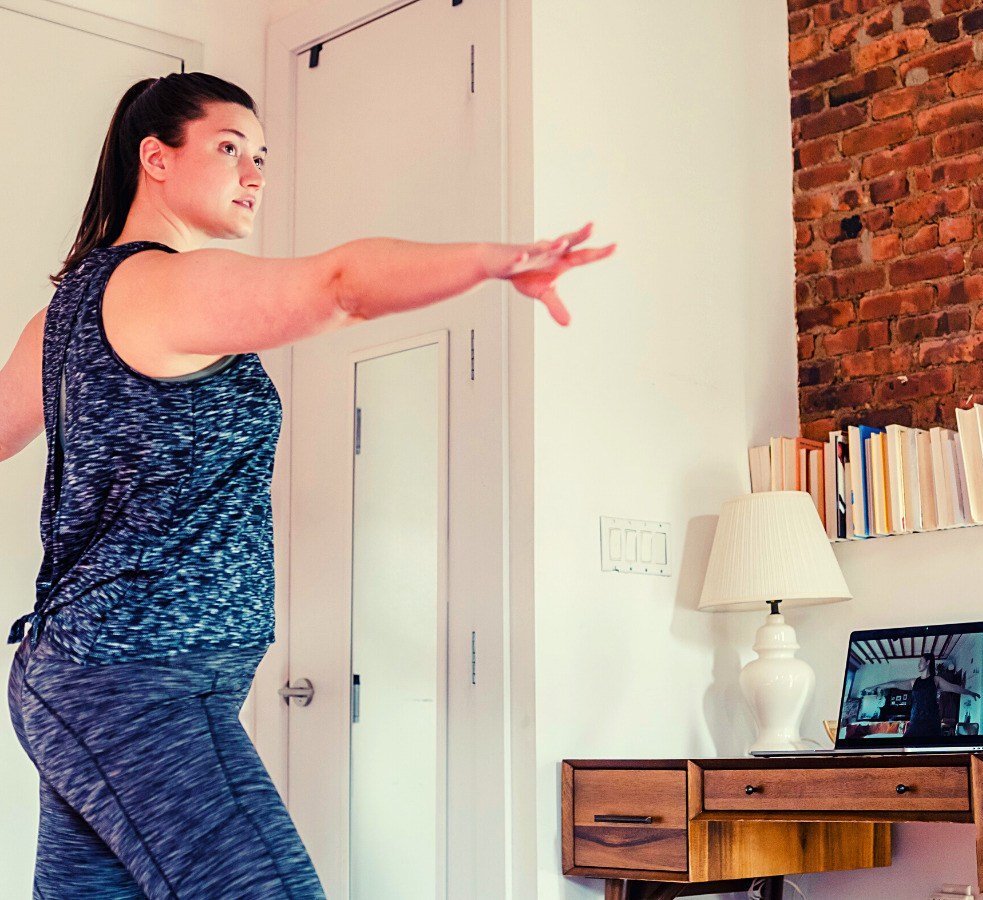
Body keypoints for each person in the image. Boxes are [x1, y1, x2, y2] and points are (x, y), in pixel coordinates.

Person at [1, 72, 615, 899]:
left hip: (85, 674)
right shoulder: (168, 284)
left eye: (262, 156)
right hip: (140, 680)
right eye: (229, 149)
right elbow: (341, 288)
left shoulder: (65, 311)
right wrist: (494, 262)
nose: (254, 173)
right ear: (156, 157)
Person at [865, 653, 980, 740]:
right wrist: (875, 686)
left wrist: (970, 693)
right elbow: (894, 683)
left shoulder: (936, 680)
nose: (918, 664)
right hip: (915, 722)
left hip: (932, 723)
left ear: (928, 662)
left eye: (921, 661)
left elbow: (954, 687)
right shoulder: (913, 682)